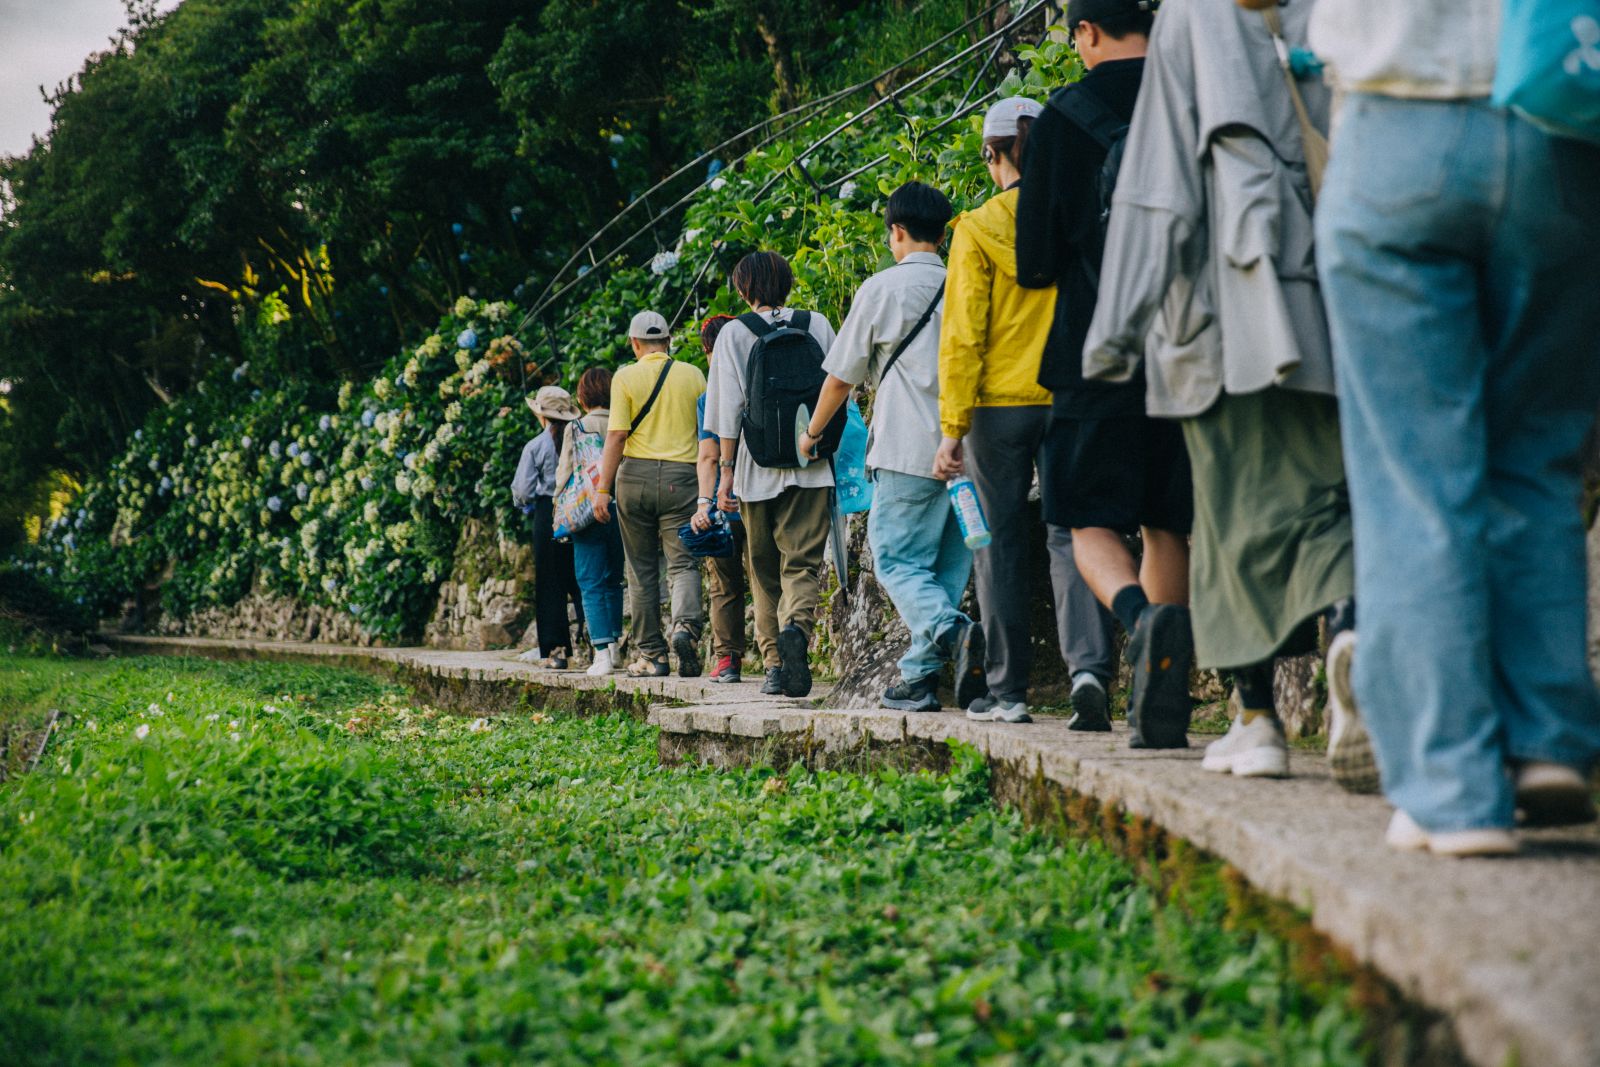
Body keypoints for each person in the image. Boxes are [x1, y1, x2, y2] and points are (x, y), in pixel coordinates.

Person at [1313, 0, 1600, 854]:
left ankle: (1452, 786)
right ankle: (1547, 740)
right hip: (1561, 124)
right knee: (1538, 453)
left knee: (1414, 477)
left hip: (1398, 122)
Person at [1082, 0, 1358, 780]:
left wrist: (1113, 337)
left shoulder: (1193, 14)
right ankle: (1350, 634)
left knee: (1231, 514)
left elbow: (1158, 188)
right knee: (1329, 500)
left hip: (1223, 306)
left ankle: (1257, 715)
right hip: (1330, 294)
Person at [1016, 0, 1192, 744]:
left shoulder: (1063, 116)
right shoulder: (1191, 90)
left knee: (1084, 518)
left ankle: (1140, 621)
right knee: (1167, 520)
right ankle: (1168, 694)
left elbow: (1036, 263)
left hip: (1094, 349)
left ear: (1085, 30)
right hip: (1189, 342)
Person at [931, 96, 1108, 726]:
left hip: (996, 409)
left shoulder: (976, 229)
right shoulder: (1073, 217)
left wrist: (952, 428)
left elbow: (962, 338)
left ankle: (1008, 693)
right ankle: (1089, 669)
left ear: (994, 153)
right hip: (1068, 394)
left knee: (995, 542)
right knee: (1073, 533)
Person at [800, 181, 986, 713]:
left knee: (897, 562)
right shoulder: (966, 284)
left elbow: (840, 377)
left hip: (907, 451)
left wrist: (812, 433)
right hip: (968, 451)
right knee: (947, 571)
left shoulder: (881, 290)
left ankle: (954, 633)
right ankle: (919, 679)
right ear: (944, 231)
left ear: (896, 232)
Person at [704, 251, 836, 698]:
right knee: (800, 563)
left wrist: (724, 477)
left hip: (754, 469)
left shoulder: (735, 334)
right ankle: (796, 627)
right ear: (788, 283)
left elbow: (726, 414)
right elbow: (838, 388)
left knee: (762, 571)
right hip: (811, 463)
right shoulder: (816, 323)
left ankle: (776, 665)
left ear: (744, 289)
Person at [593, 310, 708, 678]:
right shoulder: (693, 375)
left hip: (635, 478)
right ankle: (685, 628)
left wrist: (602, 489)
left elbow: (616, 436)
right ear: (669, 340)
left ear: (635, 343)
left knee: (641, 571)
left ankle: (652, 655)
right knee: (684, 561)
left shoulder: (625, 377)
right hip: (683, 477)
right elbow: (706, 430)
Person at [689, 314, 749, 684]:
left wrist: (703, 503)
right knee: (766, 578)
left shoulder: (709, 397)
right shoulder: (758, 379)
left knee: (724, 584)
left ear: (709, 351)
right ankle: (777, 659)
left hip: (723, 501)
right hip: (764, 495)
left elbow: (708, 455)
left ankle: (727, 660)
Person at [557, 367, 626, 676]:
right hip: (621, 506)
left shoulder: (577, 427)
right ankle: (614, 647)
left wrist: (559, 508)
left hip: (587, 509)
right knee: (613, 578)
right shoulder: (623, 421)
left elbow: (565, 472)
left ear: (583, 396)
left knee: (589, 580)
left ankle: (601, 653)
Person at [511, 385, 585, 669]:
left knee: (549, 584)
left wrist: (525, 506)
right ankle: (595, 643)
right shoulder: (580, 441)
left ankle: (556, 652)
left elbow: (523, 490)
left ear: (542, 416)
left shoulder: (535, 447)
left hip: (547, 514)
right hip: (579, 511)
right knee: (581, 578)